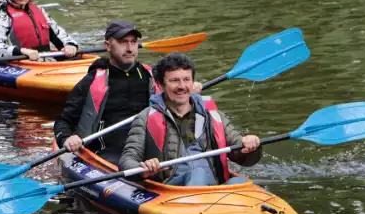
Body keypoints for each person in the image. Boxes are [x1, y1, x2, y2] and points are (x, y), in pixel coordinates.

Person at [119, 53, 262, 186]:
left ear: (192, 82)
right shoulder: (145, 118)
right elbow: (127, 161)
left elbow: (242, 155)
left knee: (240, 181)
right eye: (174, 81)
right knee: (197, 174)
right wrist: (142, 169)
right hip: (174, 188)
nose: (182, 86)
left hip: (213, 187)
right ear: (161, 85)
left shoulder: (213, 115)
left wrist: (250, 147)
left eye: (186, 80)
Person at [53, 20, 161, 164]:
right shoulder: (92, 81)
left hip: (143, 148)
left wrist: (186, 90)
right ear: (108, 46)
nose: (130, 48)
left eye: (133, 42)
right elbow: (63, 121)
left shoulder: (149, 76)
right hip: (106, 152)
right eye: (123, 42)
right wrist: (66, 138)